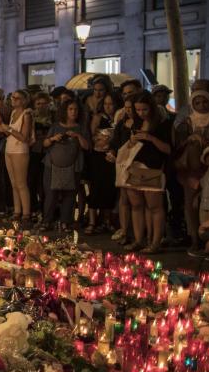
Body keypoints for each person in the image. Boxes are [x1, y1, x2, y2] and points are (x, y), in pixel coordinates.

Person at [121, 92, 173, 253]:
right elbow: (129, 146)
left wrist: (150, 138)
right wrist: (131, 141)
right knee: (136, 205)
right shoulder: (136, 123)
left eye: (144, 109)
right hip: (134, 166)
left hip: (152, 168)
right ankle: (139, 240)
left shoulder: (162, 124)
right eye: (137, 110)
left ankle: (155, 242)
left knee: (154, 207)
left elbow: (168, 149)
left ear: (151, 107)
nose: (141, 113)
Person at [173, 90, 209, 252]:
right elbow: (178, 144)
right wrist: (190, 139)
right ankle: (194, 238)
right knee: (191, 205)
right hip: (191, 170)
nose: (202, 106)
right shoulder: (188, 122)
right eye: (197, 103)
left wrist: (205, 140)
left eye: (205, 102)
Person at [41, 99, 89, 231]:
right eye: (70, 109)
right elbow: (44, 143)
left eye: (76, 109)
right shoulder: (56, 126)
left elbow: (86, 146)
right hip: (52, 165)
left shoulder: (81, 128)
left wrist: (77, 136)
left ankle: (65, 221)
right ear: (65, 111)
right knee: (51, 194)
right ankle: (47, 220)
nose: (73, 112)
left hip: (73, 166)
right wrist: (53, 139)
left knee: (70, 195)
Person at [86, 92, 120, 234]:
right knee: (95, 188)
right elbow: (91, 136)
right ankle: (92, 221)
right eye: (105, 104)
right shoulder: (98, 117)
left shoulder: (119, 118)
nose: (108, 107)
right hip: (98, 156)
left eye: (111, 104)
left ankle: (107, 220)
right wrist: (101, 139)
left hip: (112, 156)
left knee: (109, 189)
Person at [0, 89, 34, 223]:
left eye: (17, 98)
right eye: (12, 97)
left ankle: (26, 213)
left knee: (21, 183)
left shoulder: (26, 114)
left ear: (24, 100)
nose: (13, 99)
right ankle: (17, 211)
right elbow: (11, 133)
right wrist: (4, 130)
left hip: (20, 150)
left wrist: (8, 129)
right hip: (9, 148)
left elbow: (24, 137)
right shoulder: (14, 113)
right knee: (13, 183)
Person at [29, 92, 53, 217]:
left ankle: (45, 209)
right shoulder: (31, 116)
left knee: (45, 184)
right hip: (34, 152)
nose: (41, 106)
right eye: (38, 103)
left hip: (48, 153)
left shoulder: (53, 117)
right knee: (32, 181)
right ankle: (33, 209)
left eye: (44, 103)